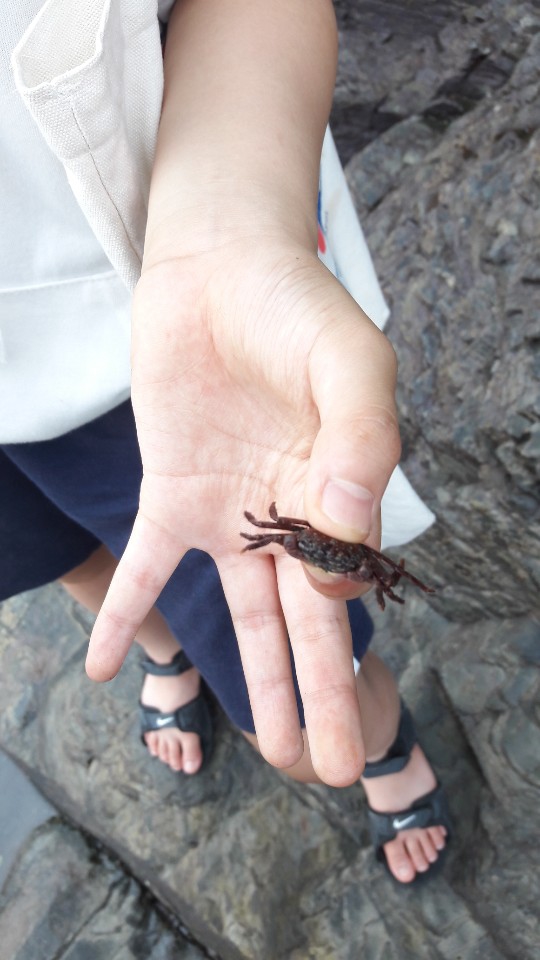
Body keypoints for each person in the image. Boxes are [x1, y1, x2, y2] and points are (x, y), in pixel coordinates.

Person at [1, 0, 450, 884]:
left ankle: (383, 743)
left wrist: (232, 225)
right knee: (67, 553)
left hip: (139, 333)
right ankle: (165, 646)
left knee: (302, 700)